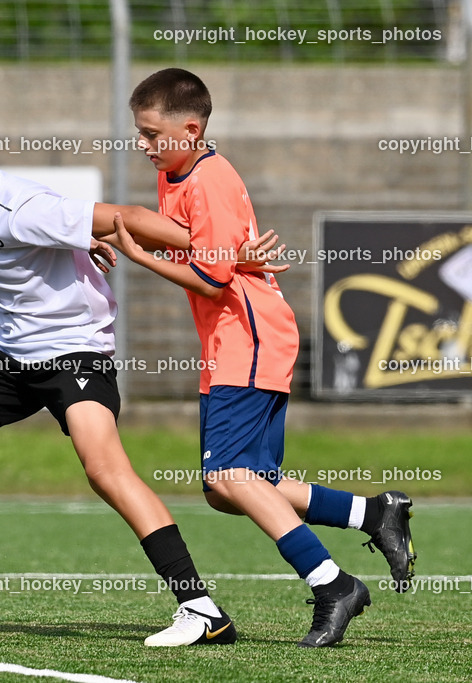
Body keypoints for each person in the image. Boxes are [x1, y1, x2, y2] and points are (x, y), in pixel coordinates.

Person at [0, 95, 282, 647]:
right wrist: (80, 238)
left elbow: (131, 218)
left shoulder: (24, 207)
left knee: (105, 470)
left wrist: (221, 251)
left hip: (75, 354)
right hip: (12, 354)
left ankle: (201, 608)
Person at [99, 67, 416, 648]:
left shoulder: (208, 180)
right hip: (237, 340)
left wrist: (137, 255)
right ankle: (373, 515)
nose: (141, 144)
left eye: (151, 134)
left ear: (191, 130)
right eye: (139, 133)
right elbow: (195, 244)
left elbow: (211, 279)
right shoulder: (177, 172)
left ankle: (333, 584)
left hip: (246, 337)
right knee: (232, 488)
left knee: (229, 476)